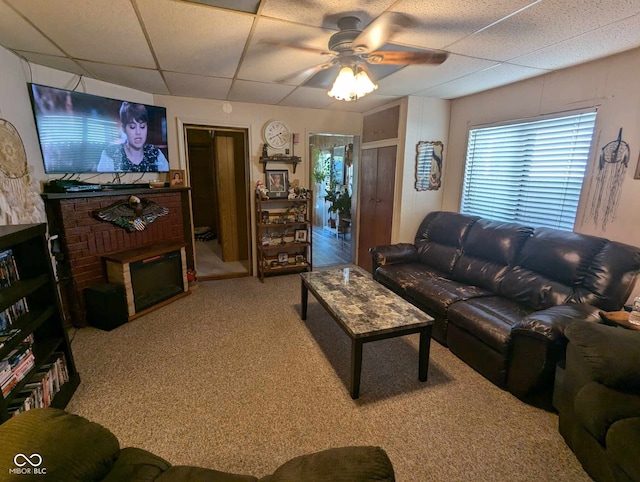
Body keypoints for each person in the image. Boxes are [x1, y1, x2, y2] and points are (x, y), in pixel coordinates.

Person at [97, 102, 169, 172]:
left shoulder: (155, 153)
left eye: (142, 126)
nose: (138, 132)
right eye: (132, 127)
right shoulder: (110, 154)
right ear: (124, 128)